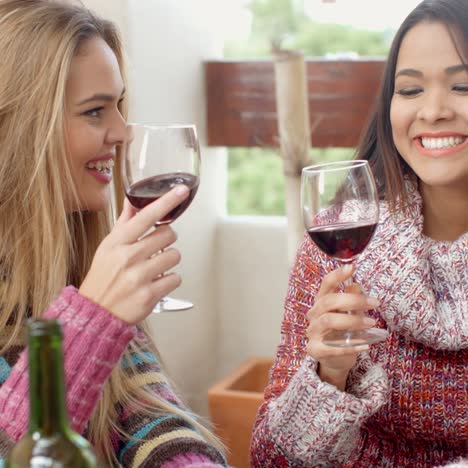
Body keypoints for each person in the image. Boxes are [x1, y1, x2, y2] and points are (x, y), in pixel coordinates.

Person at [0, 1, 226, 467]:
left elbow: (145, 415)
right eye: (94, 112)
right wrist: (93, 318)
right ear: (19, 131)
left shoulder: (69, 262)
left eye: (119, 105)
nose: (122, 132)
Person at [250, 0, 467, 466]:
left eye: (462, 85)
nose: (432, 111)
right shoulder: (340, 244)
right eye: (409, 90)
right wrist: (329, 374)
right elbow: (272, 458)